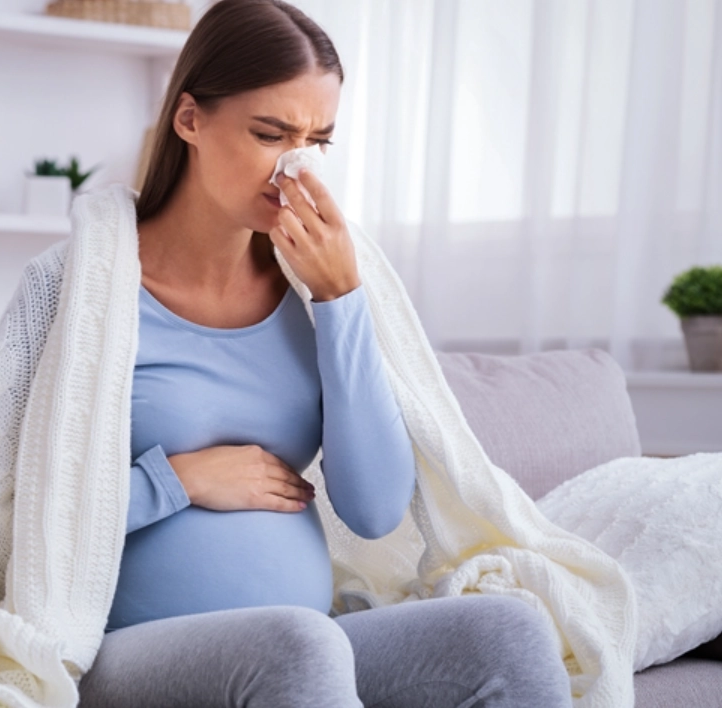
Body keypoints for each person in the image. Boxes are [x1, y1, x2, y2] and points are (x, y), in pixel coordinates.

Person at [50, 1, 572, 705]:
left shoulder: (311, 293)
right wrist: (178, 480)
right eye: (270, 133)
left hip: (306, 648)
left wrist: (340, 299)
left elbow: (375, 508)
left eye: (317, 139)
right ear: (190, 119)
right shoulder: (80, 287)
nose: (293, 164)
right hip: (128, 655)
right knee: (301, 643)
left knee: (508, 632)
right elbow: (25, 515)